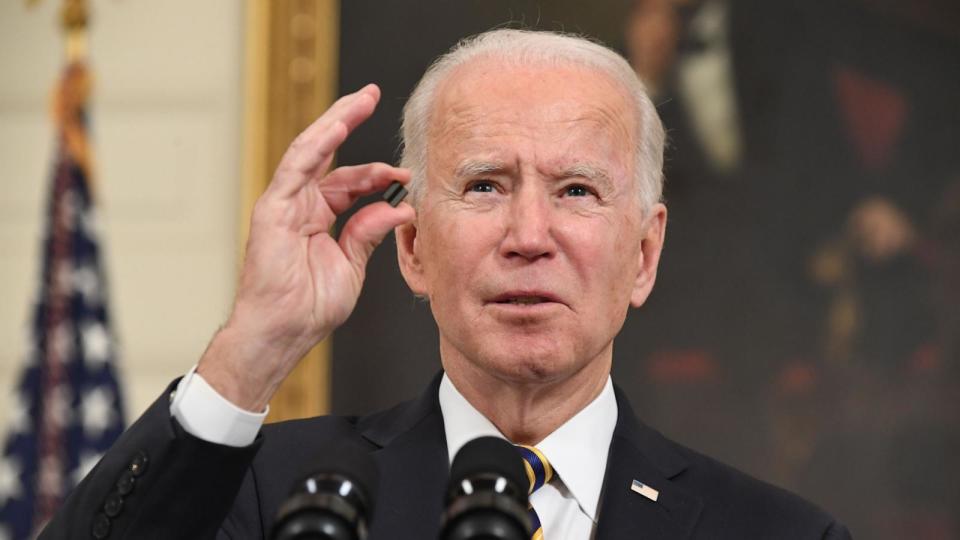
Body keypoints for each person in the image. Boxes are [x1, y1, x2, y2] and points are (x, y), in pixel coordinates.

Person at [40, 29, 850, 539]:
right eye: (486, 186)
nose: (528, 237)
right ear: (414, 246)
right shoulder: (274, 497)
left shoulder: (775, 532)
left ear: (643, 253)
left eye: (575, 191)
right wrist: (253, 348)